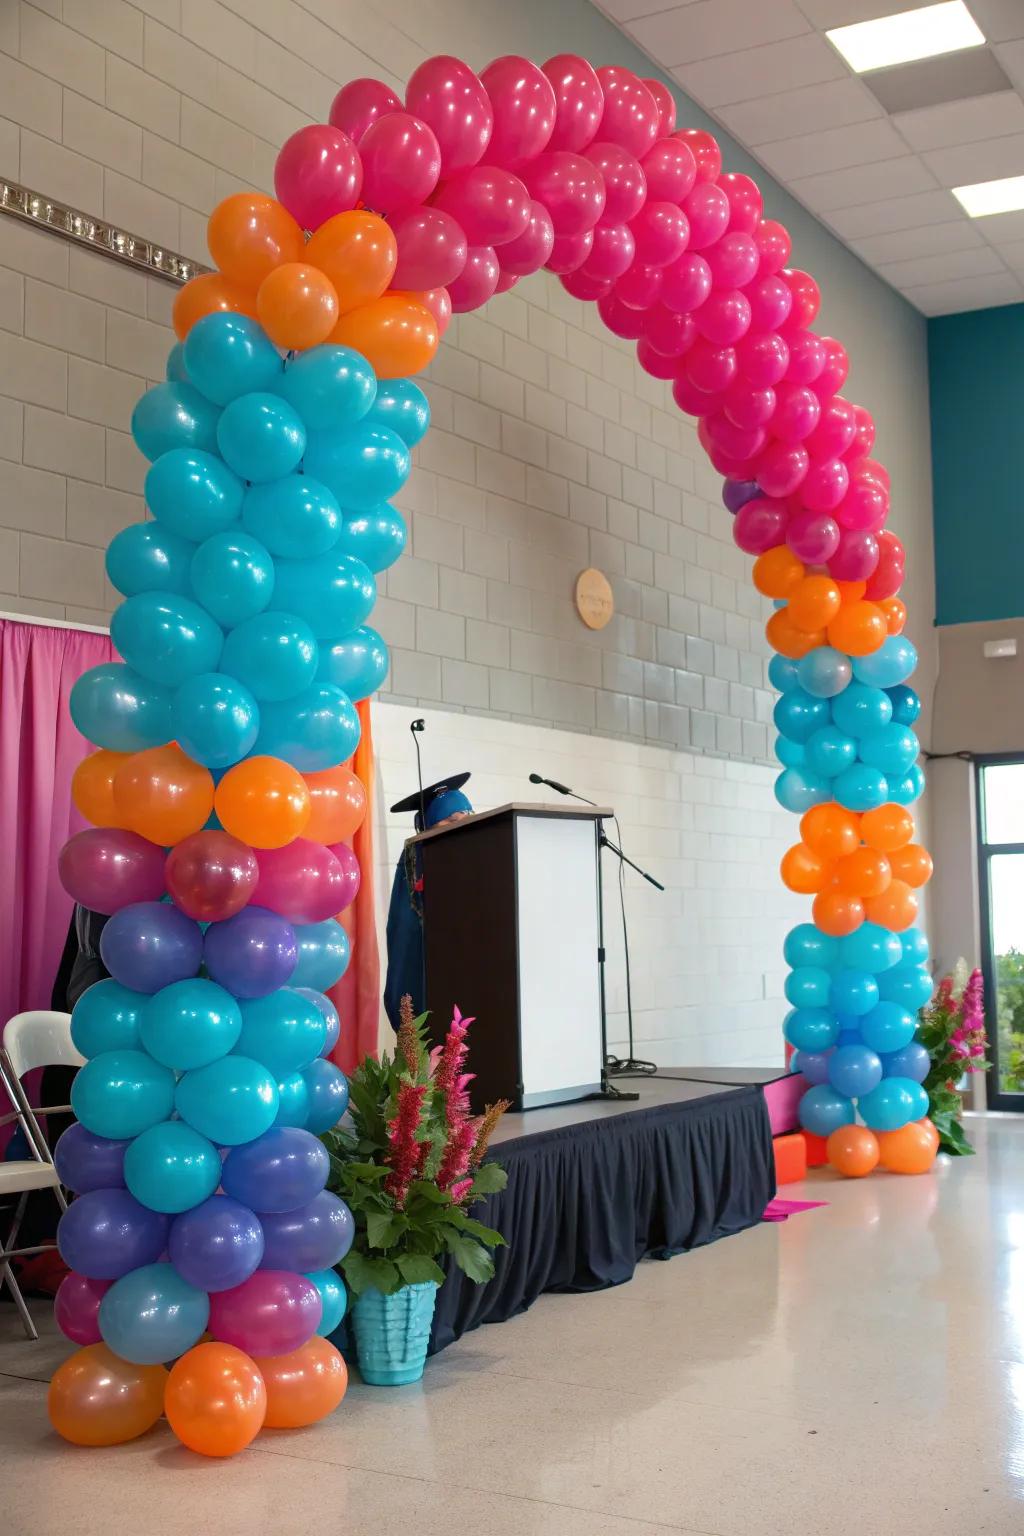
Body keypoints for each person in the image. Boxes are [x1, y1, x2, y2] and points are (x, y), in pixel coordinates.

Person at [383, 774, 473, 1031]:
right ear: (427, 825)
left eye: (466, 818)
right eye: (450, 819)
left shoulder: (478, 851)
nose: (459, 824)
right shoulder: (418, 854)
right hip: (432, 963)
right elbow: (405, 930)